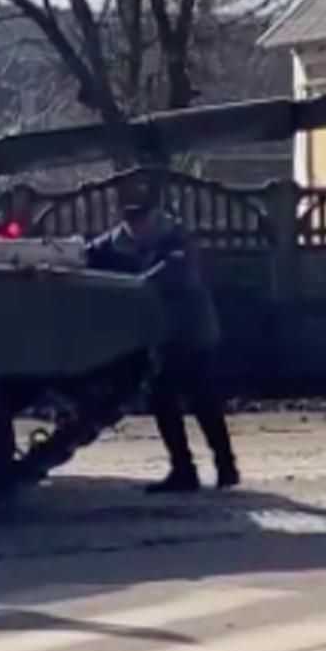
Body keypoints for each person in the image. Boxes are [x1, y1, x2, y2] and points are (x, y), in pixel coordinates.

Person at [86, 176, 240, 493]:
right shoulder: (119, 241)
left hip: (191, 332)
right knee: (166, 399)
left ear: (154, 214)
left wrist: (138, 284)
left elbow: (175, 275)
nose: (136, 225)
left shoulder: (176, 239)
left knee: (201, 400)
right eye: (130, 218)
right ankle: (189, 468)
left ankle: (220, 466)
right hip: (161, 335)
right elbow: (92, 253)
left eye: (141, 217)